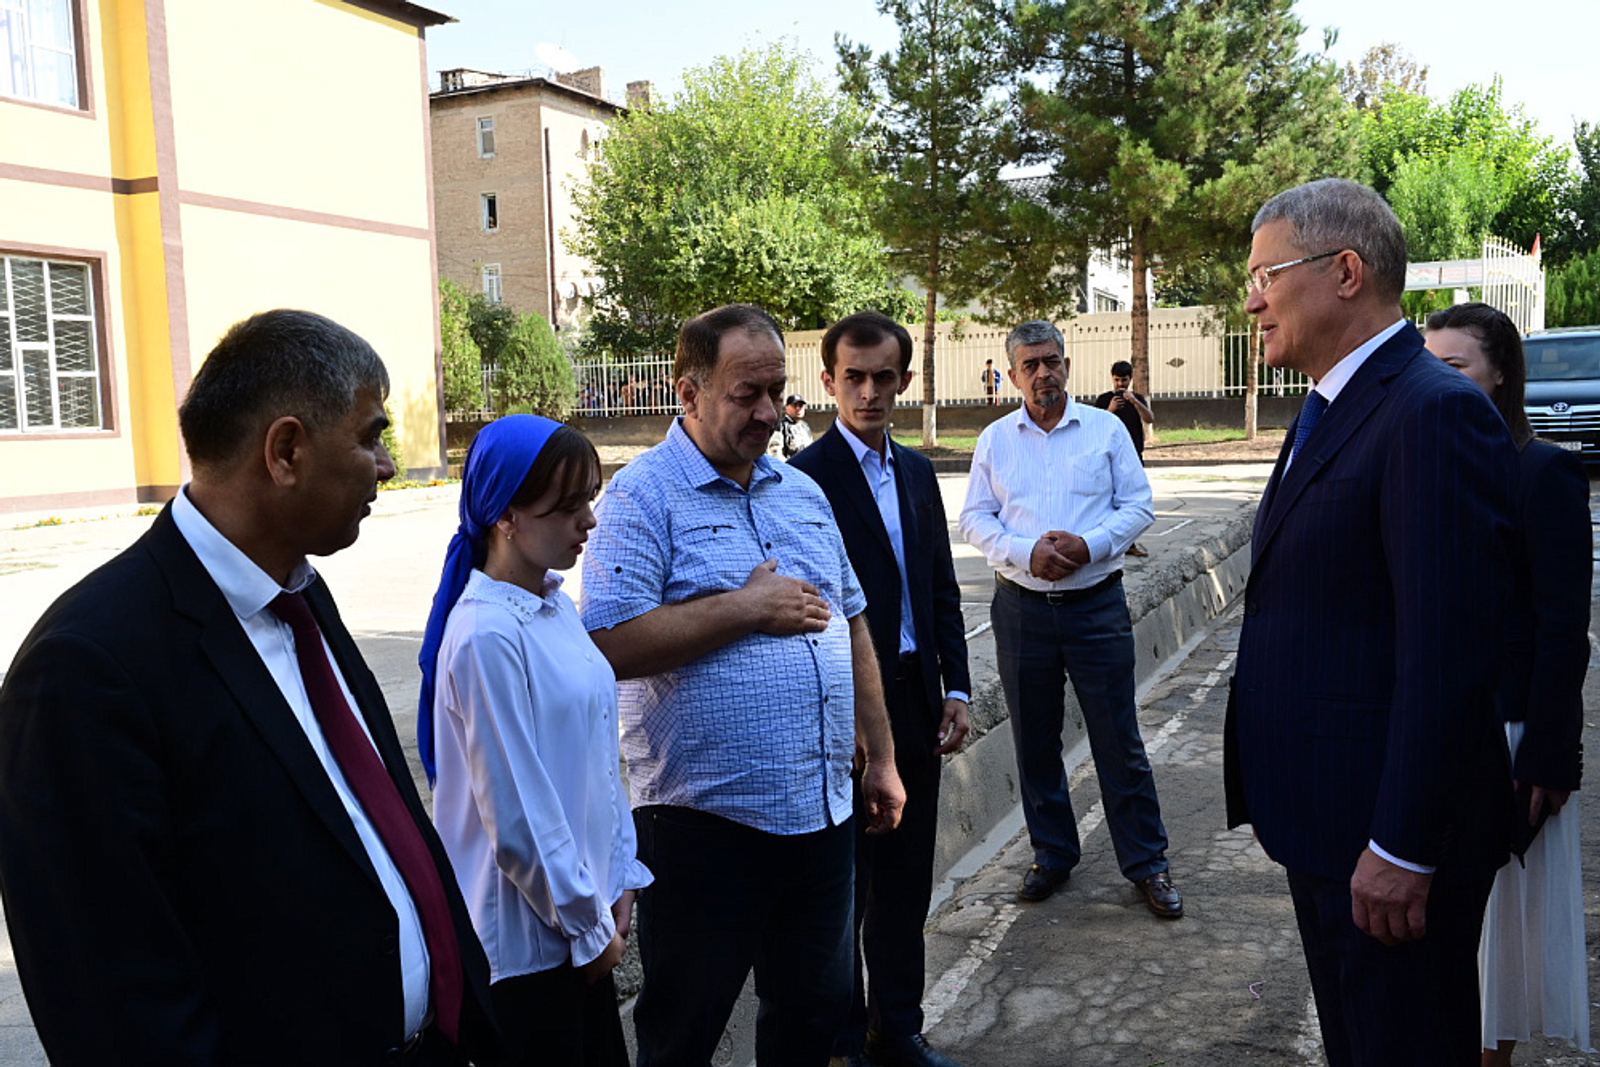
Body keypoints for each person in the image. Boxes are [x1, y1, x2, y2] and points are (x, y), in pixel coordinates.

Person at [0, 309, 501, 1064]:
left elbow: (386, 827)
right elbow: (117, 1006)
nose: (389, 463)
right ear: (287, 450)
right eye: (370, 436)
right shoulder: (87, 667)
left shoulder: (300, 595)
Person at [1223, 180, 1518, 1067]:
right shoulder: (1331, 405)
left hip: (1385, 848)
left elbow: (1451, 653)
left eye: (1265, 273)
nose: (1251, 298)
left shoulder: (1432, 411)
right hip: (1324, 826)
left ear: (1344, 271)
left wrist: (1402, 842)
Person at [580, 303, 906, 1067]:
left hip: (820, 821)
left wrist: (883, 758)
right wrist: (745, 608)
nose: (769, 413)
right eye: (745, 394)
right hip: (703, 832)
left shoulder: (800, 492)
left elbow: (851, 622)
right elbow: (604, 643)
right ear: (687, 392)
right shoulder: (642, 497)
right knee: (684, 1030)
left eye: (777, 391)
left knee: (810, 1021)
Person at [420, 415, 653, 1067]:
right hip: (530, 951)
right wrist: (586, 924)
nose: (589, 521)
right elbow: (519, 818)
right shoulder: (488, 635)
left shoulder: (553, 607)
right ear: (506, 516)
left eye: (589, 499)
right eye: (566, 506)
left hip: (583, 924)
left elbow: (598, 767)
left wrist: (620, 877)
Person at [789, 312, 972, 1067]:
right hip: (841, 708)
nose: (868, 392)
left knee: (905, 880)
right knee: (845, 884)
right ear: (828, 380)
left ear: (905, 380)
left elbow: (940, 589)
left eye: (883, 377)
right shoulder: (801, 481)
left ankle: (898, 1025)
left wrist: (956, 685)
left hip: (915, 698)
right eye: (853, 377)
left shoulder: (920, 473)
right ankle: (844, 1034)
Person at [958, 319, 1182, 920]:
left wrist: (1091, 545)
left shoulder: (1105, 430)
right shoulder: (996, 440)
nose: (1042, 373)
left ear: (1066, 363)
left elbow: (1138, 505)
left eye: (1051, 361)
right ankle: (1053, 853)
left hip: (1096, 607)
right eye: (1029, 365)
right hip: (1022, 610)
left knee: (1118, 739)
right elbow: (975, 519)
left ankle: (1147, 862)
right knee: (1034, 741)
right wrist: (1024, 551)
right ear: (1012, 374)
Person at [1423, 302, 1593, 1065]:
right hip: (1435, 730)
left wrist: (1550, 754)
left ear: (1500, 373)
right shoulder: (1431, 469)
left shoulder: (1545, 471)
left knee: (1507, 937)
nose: (1437, 379)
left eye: (1453, 365)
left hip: (1512, 735)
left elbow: (1565, 629)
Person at [1092, 360, 1155, 557]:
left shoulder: (1136, 398)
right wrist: (1110, 409)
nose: (1121, 384)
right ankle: (1110, 542)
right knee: (1110, 500)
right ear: (1112, 378)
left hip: (1134, 455)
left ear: (1130, 380)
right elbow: (1095, 426)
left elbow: (1149, 418)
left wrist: (1135, 402)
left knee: (1132, 500)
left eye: (1124, 380)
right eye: (1117, 380)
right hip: (1109, 456)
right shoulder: (1104, 399)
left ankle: (1130, 543)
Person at [769, 393, 815, 460]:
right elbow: (775, 451)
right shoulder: (780, 426)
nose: (798, 408)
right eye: (795, 405)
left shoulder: (805, 427)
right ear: (787, 407)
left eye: (801, 405)